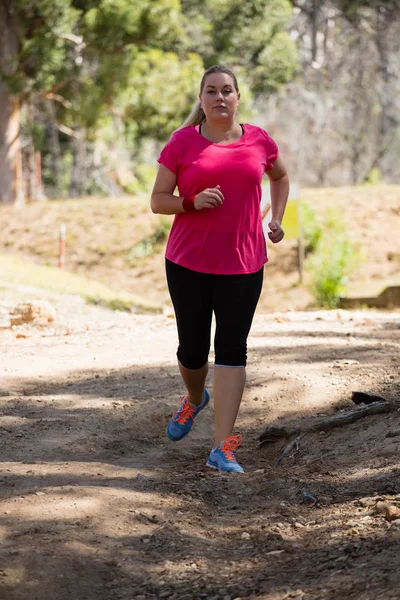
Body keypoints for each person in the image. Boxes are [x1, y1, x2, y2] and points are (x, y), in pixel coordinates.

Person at [151, 65, 289, 473]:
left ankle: (222, 449)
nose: (220, 98)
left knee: (232, 350)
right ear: (201, 100)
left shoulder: (259, 140)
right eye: (211, 91)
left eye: (227, 90)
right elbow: (159, 200)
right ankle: (195, 400)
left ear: (238, 96)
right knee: (193, 351)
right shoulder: (182, 143)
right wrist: (191, 202)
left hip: (244, 263)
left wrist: (276, 218)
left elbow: (280, 178)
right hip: (188, 262)